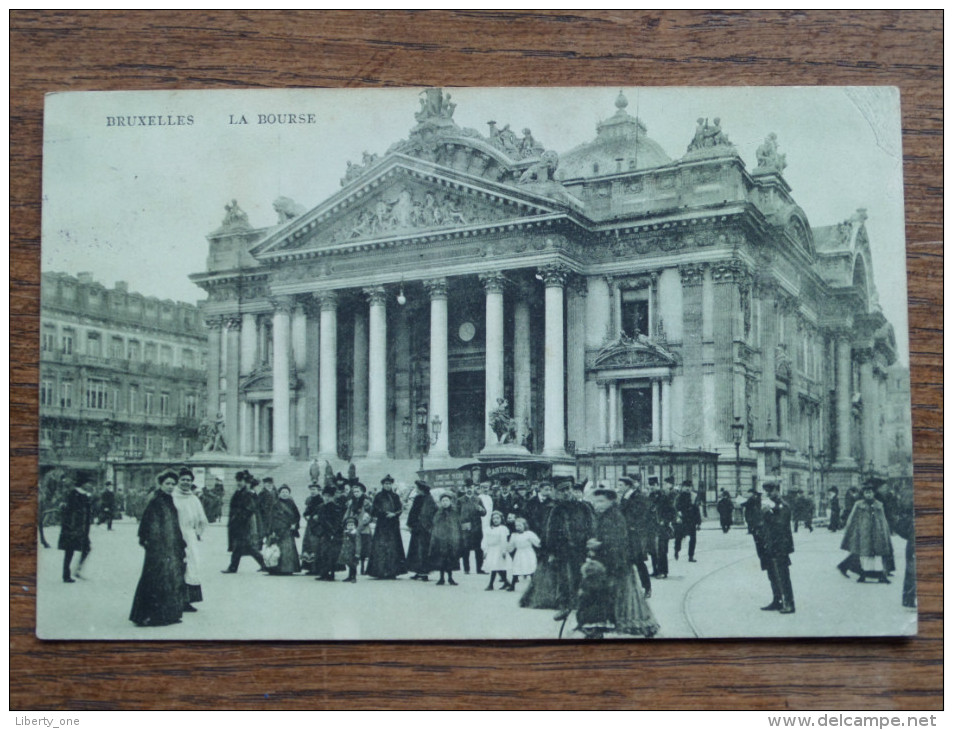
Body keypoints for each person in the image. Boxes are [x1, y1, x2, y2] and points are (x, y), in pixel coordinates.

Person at [574, 487, 659, 639]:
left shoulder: (614, 517)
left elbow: (618, 542)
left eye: (601, 501)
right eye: (595, 501)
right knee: (610, 598)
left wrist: (598, 545)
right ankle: (596, 629)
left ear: (611, 502)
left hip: (616, 565)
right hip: (608, 563)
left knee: (624, 600)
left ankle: (643, 627)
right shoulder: (603, 515)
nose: (597, 504)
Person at [129, 469, 187, 627]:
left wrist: (180, 544)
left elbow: (174, 526)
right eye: (167, 483)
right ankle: (150, 616)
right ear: (160, 484)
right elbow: (149, 526)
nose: (170, 486)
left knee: (169, 579)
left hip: (170, 547)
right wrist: (156, 545)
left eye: (173, 484)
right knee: (154, 579)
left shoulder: (169, 500)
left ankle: (169, 614)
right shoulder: (156, 501)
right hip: (158, 548)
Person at [839, 478, 894, 584]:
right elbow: (852, 519)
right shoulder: (859, 505)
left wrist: (885, 532)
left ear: (873, 493)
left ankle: (880, 575)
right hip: (863, 534)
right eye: (866, 493)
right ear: (863, 494)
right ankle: (863, 574)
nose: (868, 495)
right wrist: (851, 531)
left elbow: (883, 520)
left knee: (877, 555)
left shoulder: (879, 504)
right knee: (864, 555)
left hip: (877, 534)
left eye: (870, 493)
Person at [172, 467, 208, 610]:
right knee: (177, 567)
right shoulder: (173, 497)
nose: (186, 482)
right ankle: (175, 600)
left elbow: (201, 518)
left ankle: (187, 601)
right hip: (175, 535)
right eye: (183, 480)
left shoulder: (194, 499)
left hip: (190, 536)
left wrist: (197, 532)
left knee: (191, 566)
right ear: (178, 481)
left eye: (188, 480)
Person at [759, 480, 796, 614]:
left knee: (783, 575)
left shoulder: (783, 506)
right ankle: (777, 600)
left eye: (771, 491)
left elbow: (780, 524)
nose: (768, 494)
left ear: (777, 490)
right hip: (770, 545)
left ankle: (789, 604)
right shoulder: (772, 505)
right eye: (767, 491)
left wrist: (767, 513)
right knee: (772, 574)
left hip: (781, 546)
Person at [223, 471, 266, 573]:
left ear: (245, 481)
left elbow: (249, 509)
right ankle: (265, 564)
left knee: (240, 545)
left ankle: (233, 567)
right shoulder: (238, 492)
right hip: (236, 524)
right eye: (238, 480)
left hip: (243, 524)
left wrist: (240, 518)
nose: (239, 482)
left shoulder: (246, 493)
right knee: (245, 547)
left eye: (241, 480)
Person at [365, 474, 406, 579]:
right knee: (381, 547)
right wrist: (384, 514)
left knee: (393, 547)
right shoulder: (378, 496)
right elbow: (374, 510)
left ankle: (393, 571)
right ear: (382, 485)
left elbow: (400, 509)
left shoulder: (395, 496)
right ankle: (380, 571)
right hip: (382, 526)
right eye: (386, 484)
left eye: (389, 484)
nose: (388, 486)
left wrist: (394, 514)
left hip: (393, 525)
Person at [619, 476, 653, 598]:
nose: (619, 488)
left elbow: (641, 514)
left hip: (635, 535)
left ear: (628, 486)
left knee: (638, 561)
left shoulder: (637, 497)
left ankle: (647, 587)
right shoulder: (625, 497)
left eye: (621, 485)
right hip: (626, 535)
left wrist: (634, 527)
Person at [59, 478, 93, 583]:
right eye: (87, 483)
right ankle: (69, 574)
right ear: (83, 484)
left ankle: (74, 571)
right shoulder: (76, 495)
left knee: (82, 549)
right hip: (75, 529)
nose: (89, 485)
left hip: (79, 528)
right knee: (70, 551)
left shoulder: (78, 495)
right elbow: (74, 512)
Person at [265, 485, 301, 575]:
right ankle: (277, 569)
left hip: (289, 529)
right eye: (282, 492)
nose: (284, 494)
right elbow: (272, 517)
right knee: (278, 549)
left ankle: (289, 569)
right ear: (279, 493)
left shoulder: (291, 503)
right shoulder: (276, 504)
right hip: (279, 529)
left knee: (288, 550)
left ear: (289, 493)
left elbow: (297, 515)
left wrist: (294, 524)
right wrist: (272, 529)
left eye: (286, 492)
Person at [429, 491, 463, 586]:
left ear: (450, 501)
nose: (445, 502)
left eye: (446, 500)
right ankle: (441, 578)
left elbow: (457, 525)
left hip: (451, 540)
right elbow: (435, 525)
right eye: (443, 501)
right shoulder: (438, 513)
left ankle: (450, 578)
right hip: (441, 540)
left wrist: (458, 538)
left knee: (451, 559)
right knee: (441, 559)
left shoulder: (454, 513)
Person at [406, 480, 437, 581]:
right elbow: (412, 512)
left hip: (425, 529)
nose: (416, 490)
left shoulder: (429, 499)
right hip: (416, 528)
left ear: (422, 489)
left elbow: (433, 513)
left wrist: (429, 525)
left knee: (424, 551)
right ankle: (417, 571)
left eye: (417, 488)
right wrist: (410, 524)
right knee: (415, 550)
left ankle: (424, 572)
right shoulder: (417, 498)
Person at [312, 485, 345, 581]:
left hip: (332, 533)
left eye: (329, 496)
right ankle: (323, 573)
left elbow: (338, 522)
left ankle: (332, 573)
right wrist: (316, 523)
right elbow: (314, 518)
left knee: (332, 554)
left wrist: (333, 532)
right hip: (322, 533)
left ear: (332, 497)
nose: (326, 498)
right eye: (325, 496)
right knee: (322, 553)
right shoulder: (320, 507)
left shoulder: (336, 507)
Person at [457, 480, 487, 574]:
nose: (469, 489)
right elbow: (456, 514)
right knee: (465, 548)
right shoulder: (460, 500)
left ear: (474, 488)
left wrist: (481, 509)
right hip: (465, 527)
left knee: (478, 548)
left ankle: (480, 568)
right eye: (467, 487)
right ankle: (466, 569)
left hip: (477, 527)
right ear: (464, 488)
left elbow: (484, 513)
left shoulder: (478, 499)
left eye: (471, 487)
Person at [343, 481, 373, 574]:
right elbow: (347, 514)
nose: (356, 493)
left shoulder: (366, 502)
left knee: (363, 549)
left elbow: (370, 515)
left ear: (362, 492)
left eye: (358, 491)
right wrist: (345, 522)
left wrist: (365, 522)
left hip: (363, 527)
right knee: (352, 548)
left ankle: (363, 567)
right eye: (354, 492)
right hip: (353, 526)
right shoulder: (351, 502)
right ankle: (353, 568)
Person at [506, 517, 540, 592]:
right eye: (516, 526)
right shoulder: (514, 535)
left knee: (530, 568)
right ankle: (512, 586)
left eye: (520, 526)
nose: (518, 528)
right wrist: (507, 549)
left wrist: (540, 545)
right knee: (516, 569)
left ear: (525, 526)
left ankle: (534, 586)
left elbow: (537, 543)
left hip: (528, 553)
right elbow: (511, 546)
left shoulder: (529, 534)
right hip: (519, 553)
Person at [653, 476, 677, 578]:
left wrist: (665, 521)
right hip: (656, 526)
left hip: (663, 526)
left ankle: (663, 571)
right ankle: (658, 570)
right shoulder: (657, 496)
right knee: (657, 550)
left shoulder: (664, 497)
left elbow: (671, 511)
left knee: (662, 550)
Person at [482, 511, 512, 590]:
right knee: (494, 566)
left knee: (500, 566)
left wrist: (504, 551)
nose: (495, 520)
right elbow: (485, 540)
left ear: (501, 519)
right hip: (491, 549)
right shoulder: (487, 529)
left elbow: (503, 540)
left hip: (499, 549)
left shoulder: (503, 529)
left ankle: (491, 584)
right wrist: (485, 550)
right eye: (494, 518)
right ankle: (506, 582)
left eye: (497, 518)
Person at [674, 479, 701, 562]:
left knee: (693, 539)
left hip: (691, 520)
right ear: (682, 487)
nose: (687, 488)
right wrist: (678, 516)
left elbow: (697, 510)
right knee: (679, 537)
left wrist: (698, 523)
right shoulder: (679, 497)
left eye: (689, 487)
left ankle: (691, 556)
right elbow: (675, 508)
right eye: (686, 487)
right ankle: (676, 550)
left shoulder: (694, 496)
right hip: (682, 520)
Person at [300, 483, 321, 573]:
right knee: (308, 544)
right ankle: (309, 567)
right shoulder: (309, 500)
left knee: (315, 545)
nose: (313, 491)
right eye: (311, 489)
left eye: (314, 489)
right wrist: (306, 515)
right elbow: (306, 511)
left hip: (317, 525)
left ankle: (316, 568)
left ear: (318, 490)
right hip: (309, 525)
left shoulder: (321, 500)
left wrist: (315, 517)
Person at [339, 516, 361, 583]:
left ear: (355, 526)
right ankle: (349, 576)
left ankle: (354, 577)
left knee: (353, 565)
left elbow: (358, 544)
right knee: (349, 564)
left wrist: (357, 553)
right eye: (349, 525)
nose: (350, 526)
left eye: (352, 525)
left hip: (353, 552)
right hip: (346, 552)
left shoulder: (355, 534)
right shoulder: (345, 533)